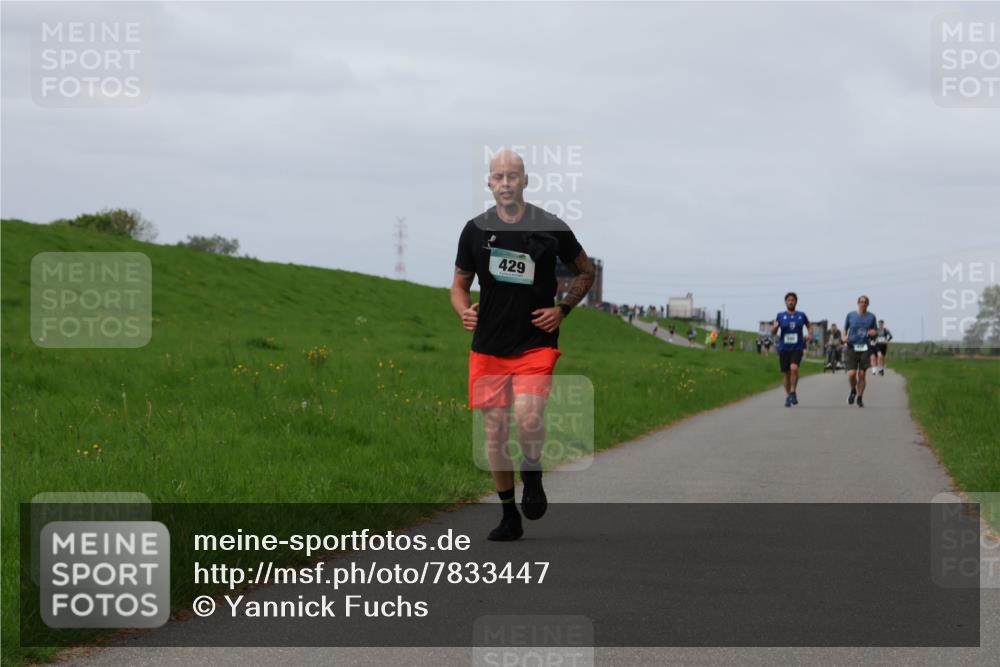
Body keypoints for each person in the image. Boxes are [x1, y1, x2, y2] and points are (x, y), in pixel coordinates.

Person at [452, 149, 595, 541]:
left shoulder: (550, 227)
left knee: (529, 417)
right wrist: (463, 310)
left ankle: (531, 473)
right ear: (489, 182)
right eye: (498, 176)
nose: (505, 183)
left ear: (526, 180)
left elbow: (586, 271)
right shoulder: (475, 230)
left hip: (535, 341)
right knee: (495, 431)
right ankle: (508, 515)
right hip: (488, 346)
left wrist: (562, 309)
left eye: (512, 176)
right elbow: (460, 285)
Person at [770, 292, 811, 407]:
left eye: (793, 300)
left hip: (797, 347)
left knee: (794, 368)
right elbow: (773, 333)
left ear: (796, 302)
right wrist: (775, 327)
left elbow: (809, 326)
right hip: (784, 348)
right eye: (789, 300)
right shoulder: (780, 316)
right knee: (787, 374)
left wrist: (809, 334)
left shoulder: (801, 315)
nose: (791, 302)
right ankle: (789, 396)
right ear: (785, 302)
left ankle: (793, 391)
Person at [842, 295, 879, 408]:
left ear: (868, 304)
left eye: (865, 302)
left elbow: (875, 331)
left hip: (865, 348)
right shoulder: (850, 315)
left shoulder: (871, 317)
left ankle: (859, 397)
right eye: (861, 301)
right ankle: (853, 390)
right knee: (852, 374)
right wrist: (844, 337)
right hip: (852, 347)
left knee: (862, 374)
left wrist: (874, 333)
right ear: (858, 303)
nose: (863, 303)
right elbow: (844, 329)